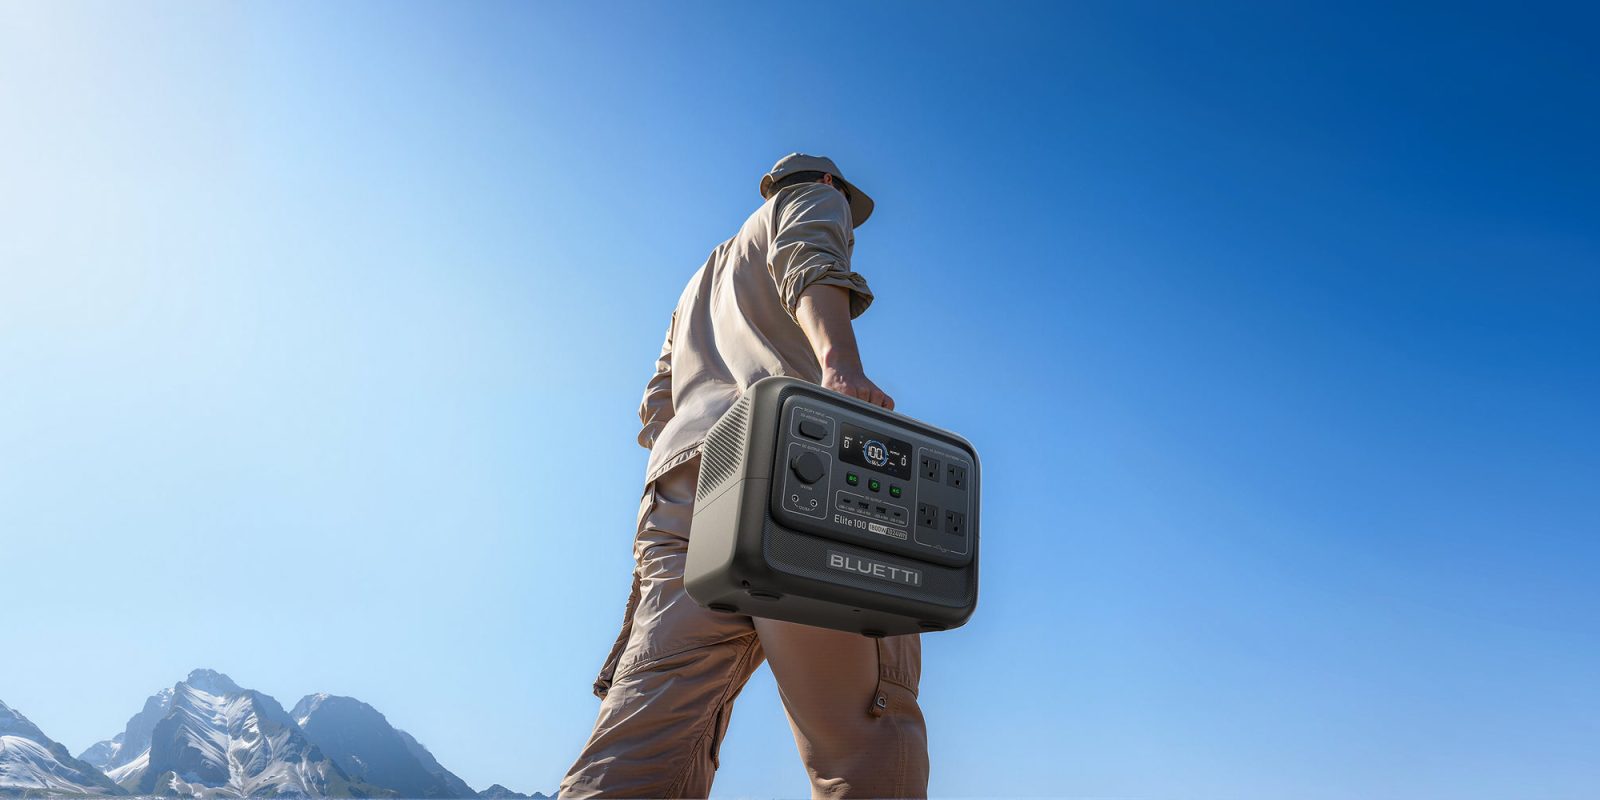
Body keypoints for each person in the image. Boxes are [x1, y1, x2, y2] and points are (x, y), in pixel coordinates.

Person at [559, 154, 928, 799]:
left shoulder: (698, 283)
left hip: (683, 491)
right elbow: (810, 258)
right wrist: (837, 367)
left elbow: (655, 406)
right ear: (826, 183)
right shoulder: (811, 198)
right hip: (787, 473)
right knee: (866, 734)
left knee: (647, 733)